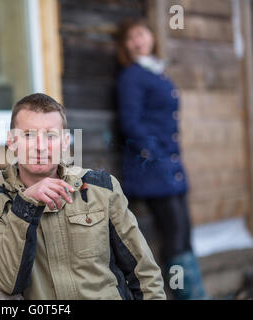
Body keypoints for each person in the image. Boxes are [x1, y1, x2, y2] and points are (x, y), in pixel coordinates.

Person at [0, 93, 165, 299]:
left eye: (50, 136)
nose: (40, 146)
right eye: (28, 135)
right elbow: (6, 282)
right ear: (12, 142)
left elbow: (144, 272)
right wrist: (25, 205)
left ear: (64, 142)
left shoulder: (101, 189)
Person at [116, 19, 207, 300]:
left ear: (152, 37)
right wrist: (153, 153)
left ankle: (195, 293)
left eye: (141, 34)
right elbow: (130, 122)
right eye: (131, 37)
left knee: (185, 234)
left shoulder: (157, 73)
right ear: (125, 46)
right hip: (154, 168)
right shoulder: (132, 76)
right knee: (174, 237)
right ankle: (186, 296)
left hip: (172, 166)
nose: (138, 41)